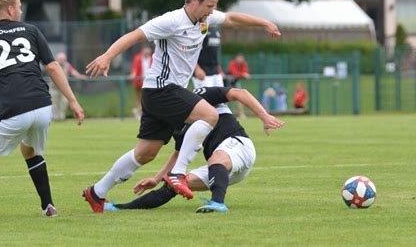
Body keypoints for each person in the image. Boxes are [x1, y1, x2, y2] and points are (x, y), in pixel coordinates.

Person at [83, 0, 280, 211]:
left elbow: (232, 18)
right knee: (209, 115)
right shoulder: (171, 21)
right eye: (209, 6)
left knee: (145, 153)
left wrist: (264, 23)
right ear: (194, 1)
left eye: (214, 7)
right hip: (161, 89)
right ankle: (177, 174)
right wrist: (107, 56)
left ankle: (97, 192)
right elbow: (134, 36)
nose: (212, 11)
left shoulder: (204, 19)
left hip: (163, 93)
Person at [0, 0, 84, 223]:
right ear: (11, 9)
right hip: (43, 106)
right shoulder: (31, 30)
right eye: (19, 5)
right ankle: (49, 207)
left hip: (13, 108)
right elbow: (53, 67)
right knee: (31, 151)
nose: (21, 10)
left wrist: (1, 102)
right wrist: (73, 101)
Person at [102, 86, 284, 213]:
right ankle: (121, 208)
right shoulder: (177, 124)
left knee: (216, 158)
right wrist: (156, 179)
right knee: (175, 183)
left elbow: (239, 92)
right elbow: (178, 155)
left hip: (238, 146)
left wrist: (264, 116)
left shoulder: (198, 96)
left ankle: (218, 203)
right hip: (220, 171)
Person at [49, 52, 88, 121]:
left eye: (63, 59)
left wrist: (80, 76)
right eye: (60, 59)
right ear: (57, 59)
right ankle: (55, 118)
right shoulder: (53, 64)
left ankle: (61, 118)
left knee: (64, 103)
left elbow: (73, 72)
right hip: (54, 88)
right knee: (54, 104)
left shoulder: (67, 65)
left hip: (64, 89)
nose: (62, 60)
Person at [130, 45, 152, 120]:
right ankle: (138, 111)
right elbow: (135, 68)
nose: (147, 52)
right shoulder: (138, 58)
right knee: (139, 97)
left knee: (147, 98)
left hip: (149, 82)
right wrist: (134, 74)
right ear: (143, 50)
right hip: (139, 81)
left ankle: (138, 111)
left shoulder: (152, 58)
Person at [227, 54, 250, 118]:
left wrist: (242, 74)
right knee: (226, 99)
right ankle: (227, 114)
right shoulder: (232, 63)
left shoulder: (244, 64)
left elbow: (246, 71)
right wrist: (242, 74)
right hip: (228, 82)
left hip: (236, 82)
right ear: (236, 59)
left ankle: (241, 113)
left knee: (241, 98)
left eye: (241, 59)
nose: (240, 60)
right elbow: (234, 73)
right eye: (239, 58)